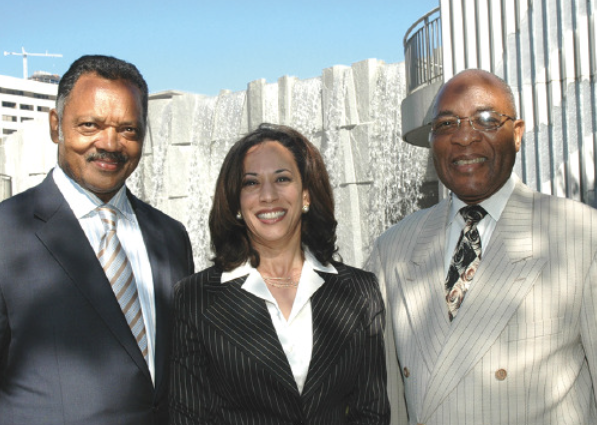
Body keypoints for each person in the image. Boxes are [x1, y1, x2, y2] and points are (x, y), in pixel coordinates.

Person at [366, 69, 597, 424]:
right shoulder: (393, 249)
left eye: (485, 119)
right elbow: (387, 402)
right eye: (446, 124)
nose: (464, 137)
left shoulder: (582, 237)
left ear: (517, 134)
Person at [0, 55, 194, 424]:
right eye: (90, 125)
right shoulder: (5, 234)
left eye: (128, 129)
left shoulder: (171, 236)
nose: (110, 143)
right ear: (56, 126)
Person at [169, 123, 390, 424]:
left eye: (282, 179)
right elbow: (187, 417)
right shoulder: (194, 298)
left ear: (306, 195)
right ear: (236, 202)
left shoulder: (360, 292)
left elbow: (372, 413)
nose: (268, 195)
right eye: (251, 183)